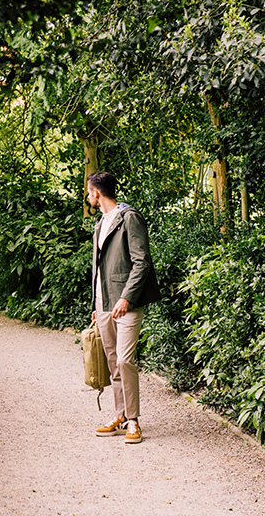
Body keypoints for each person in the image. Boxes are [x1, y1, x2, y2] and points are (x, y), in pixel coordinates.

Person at [87, 171, 160, 444]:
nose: (88, 196)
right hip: (104, 305)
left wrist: (126, 297)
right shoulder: (100, 223)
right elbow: (98, 269)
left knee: (125, 360)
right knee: (112, 363)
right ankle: (120, 416)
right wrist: (97, 303)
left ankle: (133, 421)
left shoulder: (129, 218)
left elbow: (142, 262)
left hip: (127, 304)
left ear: (97, 193)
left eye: (88, 191)